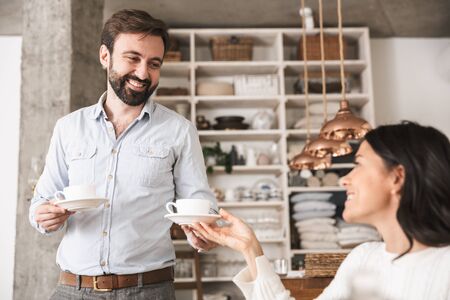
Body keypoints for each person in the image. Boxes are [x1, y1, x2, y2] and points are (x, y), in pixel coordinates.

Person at [29, 9, 217, 299]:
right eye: (133, 58)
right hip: (72, 290)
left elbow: (202, 204)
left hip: (149, 291)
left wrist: (203, 233)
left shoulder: (179, 131)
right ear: (105, 56)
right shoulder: (68, 128)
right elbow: (42, 201)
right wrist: (44, 216)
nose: (143, 73)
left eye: (154, 63)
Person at [192, 121, 450, 300]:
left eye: (358, 164)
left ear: (397, 177)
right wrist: (249, 247)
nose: (343, 179)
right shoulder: (363, 258)